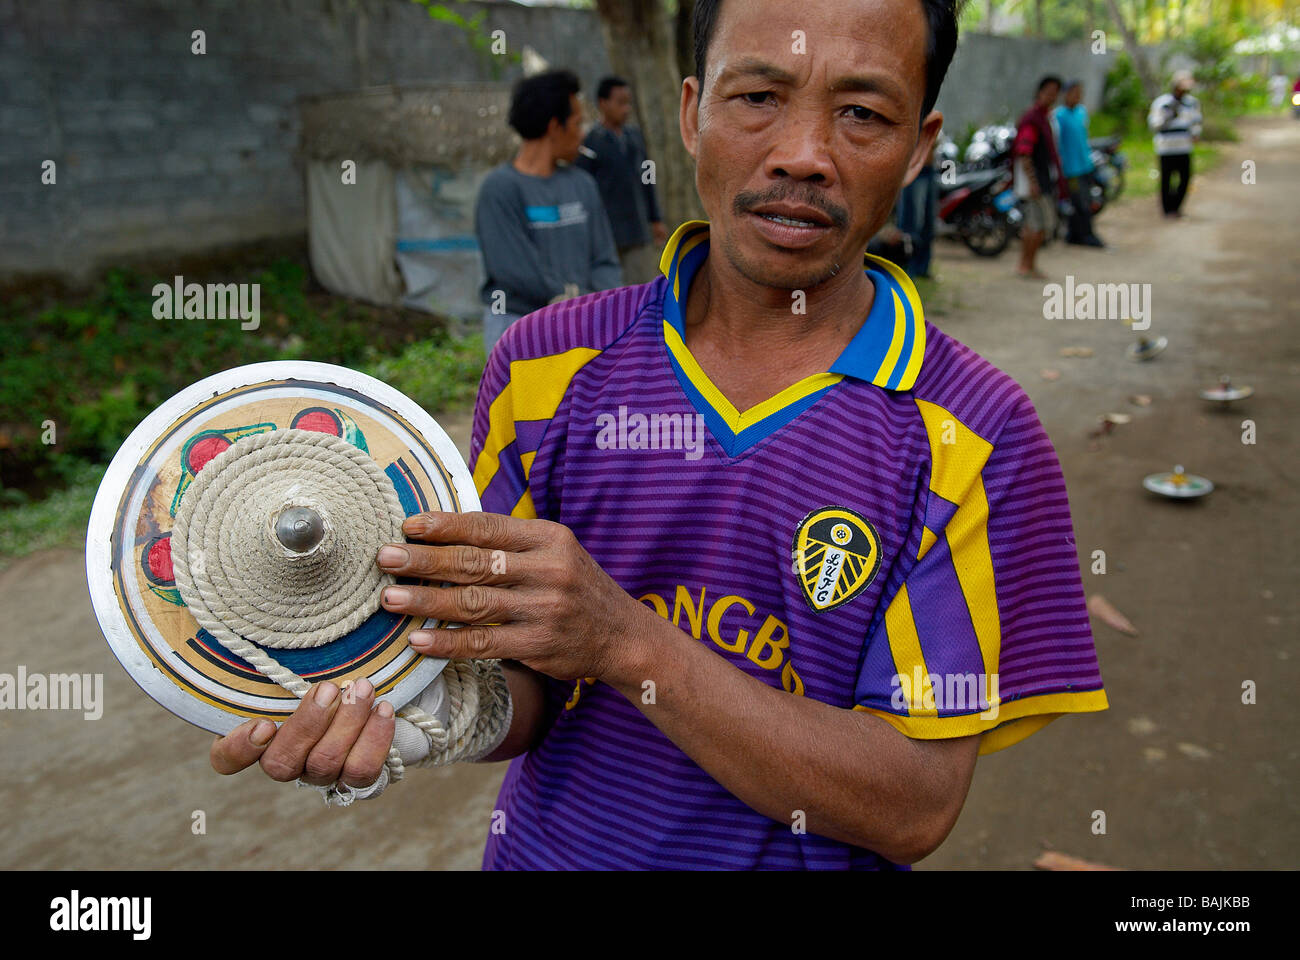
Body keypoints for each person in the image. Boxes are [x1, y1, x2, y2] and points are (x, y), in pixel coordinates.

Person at [209, 0, 1108, 871]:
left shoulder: (977, 434)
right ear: (690, 112)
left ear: (919, 149)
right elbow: (525, 695)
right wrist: (407, 718)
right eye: (757, 97)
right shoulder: (542, 365)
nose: (803, 156)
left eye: (863, 114)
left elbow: (912, 806)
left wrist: (626, 642)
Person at [472, 69, 622, 353]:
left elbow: (604, 260)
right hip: (518, 327)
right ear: (555, 126)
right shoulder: (499, 188)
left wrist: (604, 308)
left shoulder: (583, 185)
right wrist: (572, 301)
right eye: (577, 124)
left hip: (582, 325)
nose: (582, 134)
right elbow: (513, 270)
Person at [575, 76, 669, 285]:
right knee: (613, 291)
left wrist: (655, 218)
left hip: (637, 228)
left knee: (641, 287)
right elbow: (584, 191)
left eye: (628, 103)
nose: (626, 109)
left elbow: (648, 179)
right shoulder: (591, 143)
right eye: (620, 103)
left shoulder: (634, 137)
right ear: (603, 103)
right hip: (608, 233)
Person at [1013, 75, 1067, 277]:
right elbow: (1024, 152)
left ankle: (1028, 264)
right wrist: (1033, 182)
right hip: (1036, 182)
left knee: (1034, 225)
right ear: (1039, 92)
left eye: (1055, 93)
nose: (1052, 96)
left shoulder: (1046, 117)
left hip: (1043, 179)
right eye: (1049, 92)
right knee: (1036, 226)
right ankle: (1026, 265)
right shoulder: (1033, 120)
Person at [1053, 80, 1104, 247]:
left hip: (1085, 164)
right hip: (1070, 168)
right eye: (1074, 93)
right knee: (1078, 202)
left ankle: (1076, 234)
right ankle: (1084, 235)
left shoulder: (1082, 112)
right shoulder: (1058, 116)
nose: (1077, 97)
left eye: (1079, 93)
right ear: (1065, 95)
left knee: (1086, 200)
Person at [1147, 71, 1202, 218]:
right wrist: (1169, 115)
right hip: (1166, 148)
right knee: (1166, 179)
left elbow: (1196, 122)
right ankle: (1167, 210)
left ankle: (1176, 208)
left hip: (1184, 147)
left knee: (1185, 179)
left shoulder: (1192, 103)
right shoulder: (1162, 103)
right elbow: (1154, 124)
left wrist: (1196, 133)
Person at [893, 140, 937, 277]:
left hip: (930, 169)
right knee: (911, 221)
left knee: (928, 222)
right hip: (915, 169)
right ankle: (908, 267)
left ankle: (923, 268)